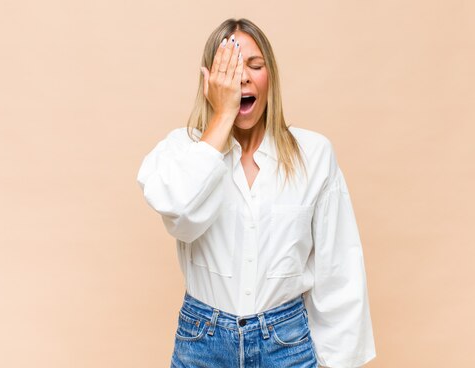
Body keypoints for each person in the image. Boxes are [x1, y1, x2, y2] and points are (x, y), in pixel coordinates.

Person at [137, 18, 376, 368]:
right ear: (210, 81)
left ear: (271, 76)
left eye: (255, 65)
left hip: (287, 343)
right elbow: (180, 214)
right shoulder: (182, 150)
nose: (244, 77)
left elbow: (338, 271)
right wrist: (222, 115)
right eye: (231, 67)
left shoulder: (315, 154)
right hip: (202, 343)